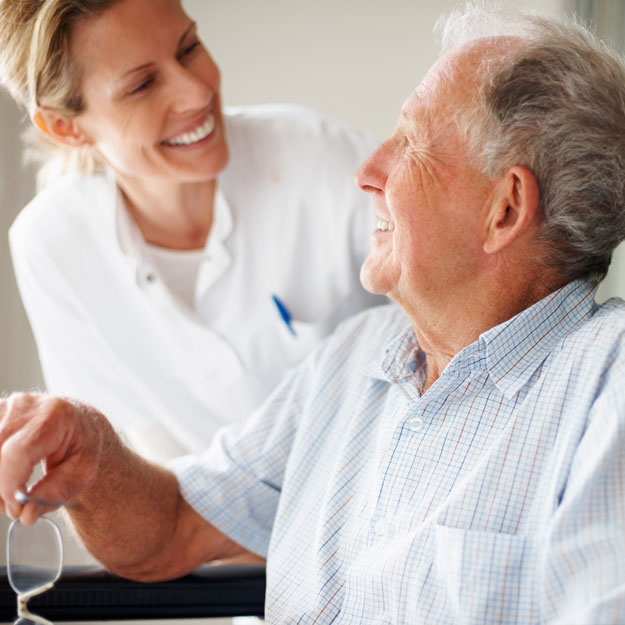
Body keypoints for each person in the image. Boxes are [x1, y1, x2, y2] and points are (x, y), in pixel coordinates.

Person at [3, 4, 625, 623]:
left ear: (506, 209)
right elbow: (171, 525)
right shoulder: (352, 360)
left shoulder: (605, 388)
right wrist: (88, 452)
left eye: (410, 143)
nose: (365, 173)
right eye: (141, 81)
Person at [0, 0, 384, 463]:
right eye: (142, 84)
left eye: (189, 48)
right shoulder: (52, 245)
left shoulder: (319, 158)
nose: (198, 92)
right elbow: (137, 461)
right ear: (65, 127)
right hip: (214, 525)